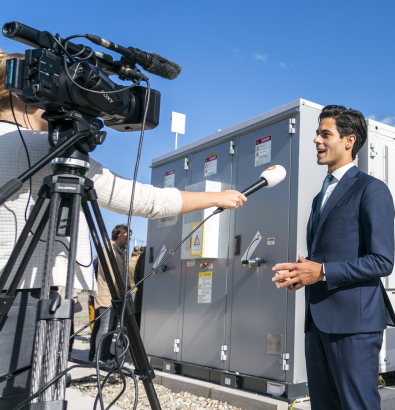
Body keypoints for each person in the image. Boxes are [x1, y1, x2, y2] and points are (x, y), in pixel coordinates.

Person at [0, 49, 247, 408]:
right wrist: (216, 197)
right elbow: (143, 200)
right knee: (26, 398)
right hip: (32, 298)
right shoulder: (44, 149)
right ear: (31, 97)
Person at [271, 105, 395, 409]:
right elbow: (324, 255)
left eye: (325, 134)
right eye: (317, 133)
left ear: (349, 141)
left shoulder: (371, 190)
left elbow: (382, 260)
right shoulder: (320, 197)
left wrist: (322, 272)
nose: (316, 140)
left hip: (354, 325)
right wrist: (302, 274)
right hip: (317, 321)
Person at [92, 225, 131, 363]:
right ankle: (98, 358)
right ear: (120, 235)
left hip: (115, 295)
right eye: (128, 236)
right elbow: (111, 275)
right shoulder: (109, 250)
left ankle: (106, 355)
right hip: (107, 295)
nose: (129, 239)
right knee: (105, 327)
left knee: (111, 327)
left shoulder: (119, 251)